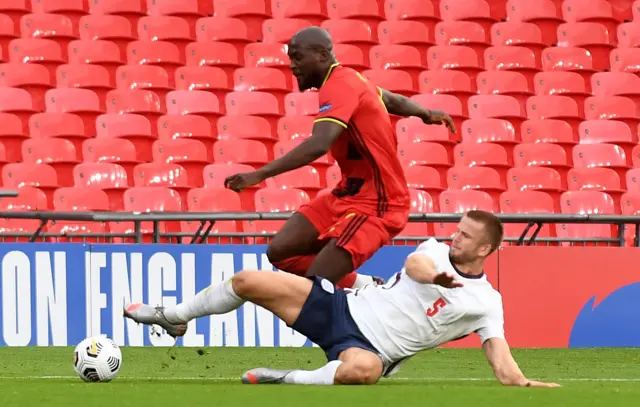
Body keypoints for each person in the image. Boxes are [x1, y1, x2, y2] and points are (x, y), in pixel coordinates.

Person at [123, 210, 559, 388]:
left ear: (485, 250)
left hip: (369, 349)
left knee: (365, 373)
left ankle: (285, 377)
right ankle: (174, 317)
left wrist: (519, 381)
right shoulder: (433, 253)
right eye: (457, 228)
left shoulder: (487, 302)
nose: (454, 236)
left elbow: (500, 359)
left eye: (465, 235)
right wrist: (441, 277)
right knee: (247, 280)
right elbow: (415, 268)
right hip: (344, 307)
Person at [224, 27, 456, 290]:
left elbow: (319, 144)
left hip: (379, 204)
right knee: (280, 252)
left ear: (322, 55)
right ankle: (365, 286)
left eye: (298, 57)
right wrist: (425, 113)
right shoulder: (350, 79)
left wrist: (259, 175)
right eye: (291, 58)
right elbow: (389, 99)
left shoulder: (339, 86)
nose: (292, 65)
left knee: (313, 288)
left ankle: (353, 306)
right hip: (347, 194)